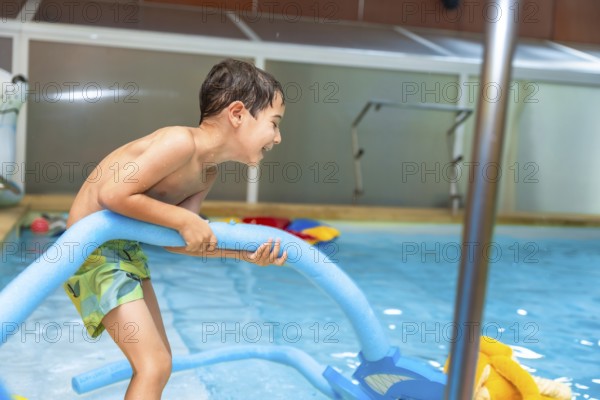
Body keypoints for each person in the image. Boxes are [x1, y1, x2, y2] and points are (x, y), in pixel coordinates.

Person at [63, 59, 288, 400]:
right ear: (238, 114)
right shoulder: (179, 142)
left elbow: (180, 242)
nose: (278, 137)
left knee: (161, 363)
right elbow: (113, 193)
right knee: (152, 367)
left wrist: (243, 255)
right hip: (90, 250)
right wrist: (184, 220)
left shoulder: (207, 171)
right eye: (274, 123)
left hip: (123, 252)